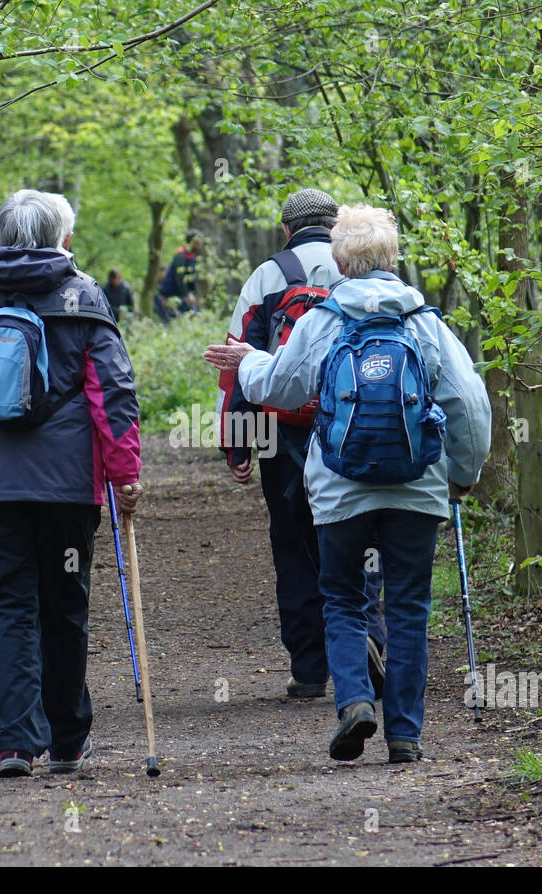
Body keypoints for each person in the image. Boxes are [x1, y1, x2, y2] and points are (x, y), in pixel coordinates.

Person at [204, 204, 492, 764]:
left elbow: (281, 388)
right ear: (393, 258)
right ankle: (404, 733)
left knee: (341, 597)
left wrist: (247, 361)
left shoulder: (325, 320)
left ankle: (355, 701)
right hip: (416, 486)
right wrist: (462, 475)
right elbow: (472, 408)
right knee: (408, 606)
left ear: (339, 260)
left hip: (339, 487)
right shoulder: (426, 323)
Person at [0, 189, 142, 778]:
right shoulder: (85, 296)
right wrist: (125, 473)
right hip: (66, 488)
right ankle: (66, 739)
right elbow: (111, 393)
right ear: (58, 237)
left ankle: (16, 742)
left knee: (5, 605)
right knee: (64, 603)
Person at [215, 188, 388, 701]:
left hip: (282, 436)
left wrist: (238, 444)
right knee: (361, 538)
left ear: (287, 230)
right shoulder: (362, 269)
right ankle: (368, 640)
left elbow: (235, 363)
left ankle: (310, 669)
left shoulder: (268, 275)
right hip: (356, 428)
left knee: (292, 547)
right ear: (335, 227)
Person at [153, 229, 203, 322]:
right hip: (172, 296)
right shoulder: (181, 255)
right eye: (199, 242)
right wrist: (187, 295)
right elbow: (179, 278)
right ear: (193, 242)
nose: (201, 245)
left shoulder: (191, 256)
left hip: (181, 296)